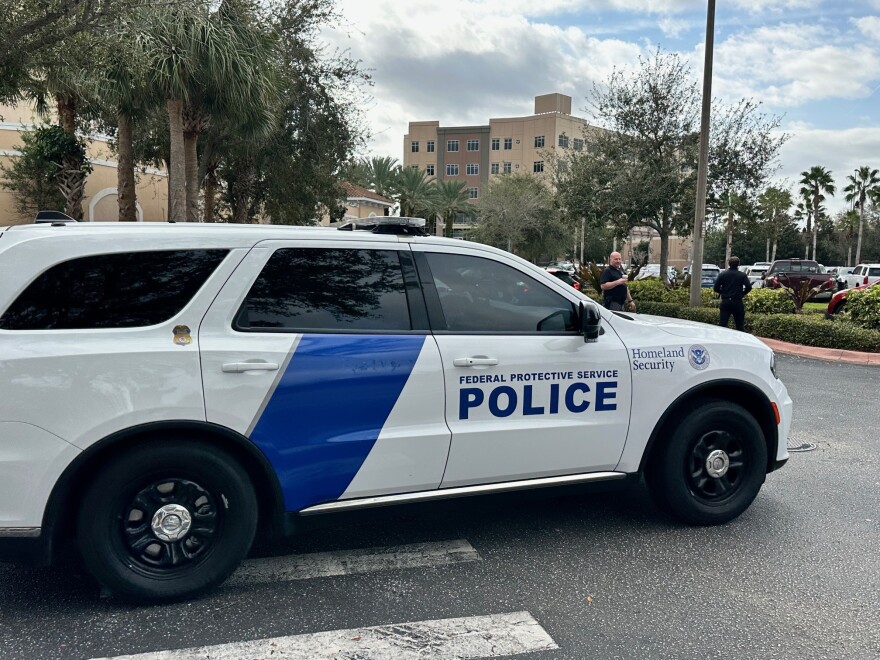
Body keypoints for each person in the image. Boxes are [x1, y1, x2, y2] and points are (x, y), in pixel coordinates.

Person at [713, 256, 752, 331]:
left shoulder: (722, 274)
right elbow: (749, 287)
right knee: (740, 326)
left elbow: (715, 288)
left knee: (722, 325)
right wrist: (742, 294)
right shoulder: (742, 275)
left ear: (729, 264)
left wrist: (723, 292)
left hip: (726, 301)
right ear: (738, 264)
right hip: (737, 302)